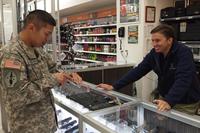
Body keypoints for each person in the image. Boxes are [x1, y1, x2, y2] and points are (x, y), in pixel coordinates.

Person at [0, 10, 82, 133]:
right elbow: (17, 96)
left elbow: (52, 68)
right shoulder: (11, 54)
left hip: (46, 125)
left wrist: (68, 75)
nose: (47, 39)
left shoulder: (37, 49)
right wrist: (54, 79)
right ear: (31, 28)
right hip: (28, 128)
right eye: (46, 34)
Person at [98, 24, 200, 115]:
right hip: (164, 97)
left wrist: (169, 101)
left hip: (185, 102)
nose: (154, 44)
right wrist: (114, 86)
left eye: (158, 40)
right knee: (162, 126)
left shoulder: (183, 53)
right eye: (153, 40)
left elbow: (183, 79)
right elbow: (138, 71)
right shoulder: (154, 53)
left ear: (170, 40)